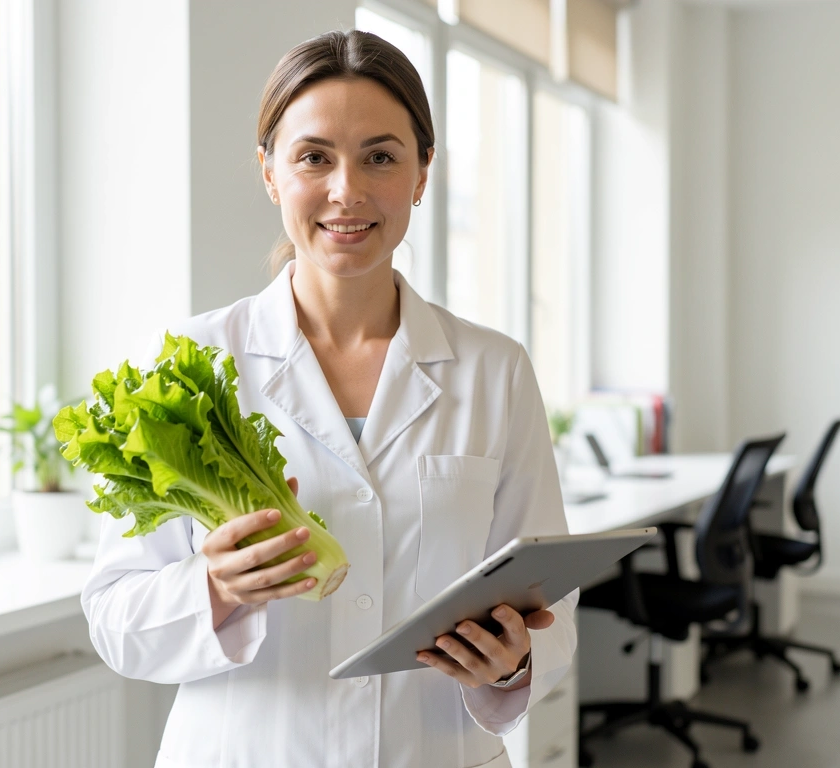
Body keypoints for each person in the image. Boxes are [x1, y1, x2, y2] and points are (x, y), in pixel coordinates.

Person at [82, 29, 578, 768]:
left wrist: (512, 663)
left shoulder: (494, 371)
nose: (347, 189)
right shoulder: (188, 366)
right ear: (271, 173)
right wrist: (214, 589)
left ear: (421, 173)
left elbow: (552, 611)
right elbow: (116, 619)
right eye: (314, 156)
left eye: (381, 156)